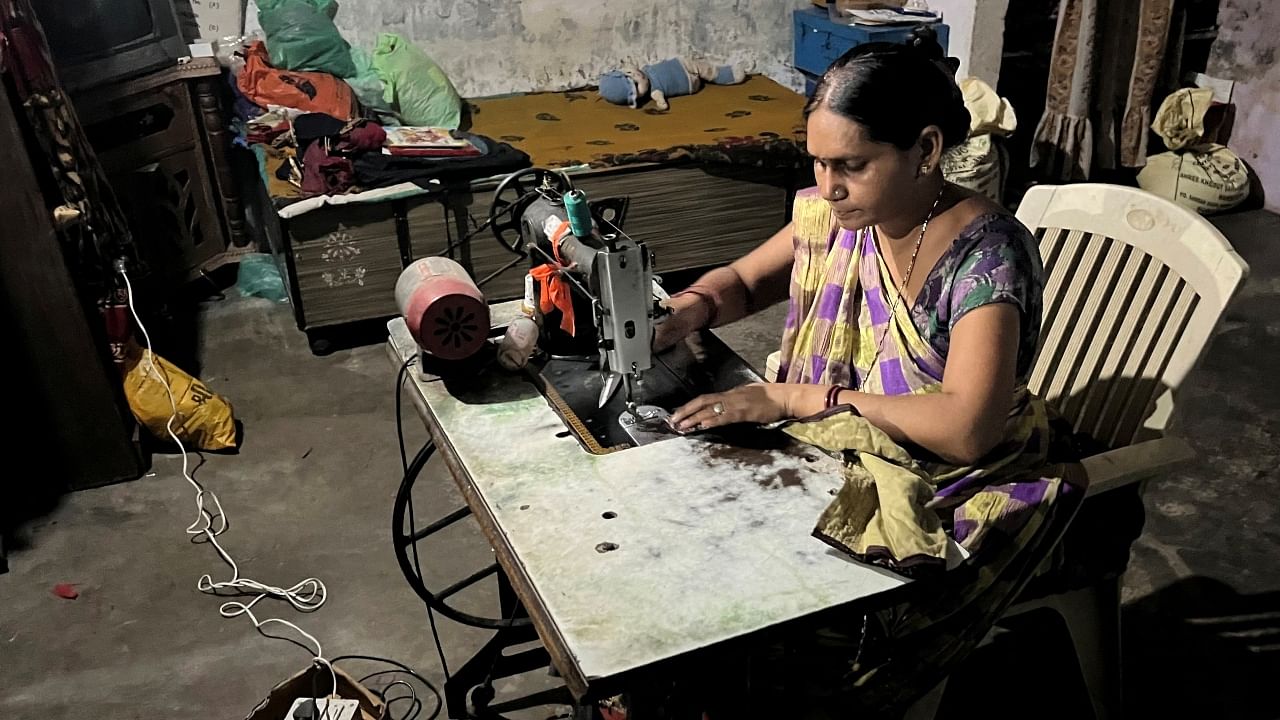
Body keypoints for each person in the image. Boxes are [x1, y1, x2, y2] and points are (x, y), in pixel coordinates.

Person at [646, 30, 1085, 716]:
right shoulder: (839, 218)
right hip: (849, 443)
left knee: (773, 593)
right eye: (816, 163)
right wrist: (690, 308)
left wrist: (801, 398)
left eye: (850, 164)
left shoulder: (986, 257)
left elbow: (967, 429)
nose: (827, 188)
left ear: (927, 150)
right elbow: (742, 280)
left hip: (944, 473)